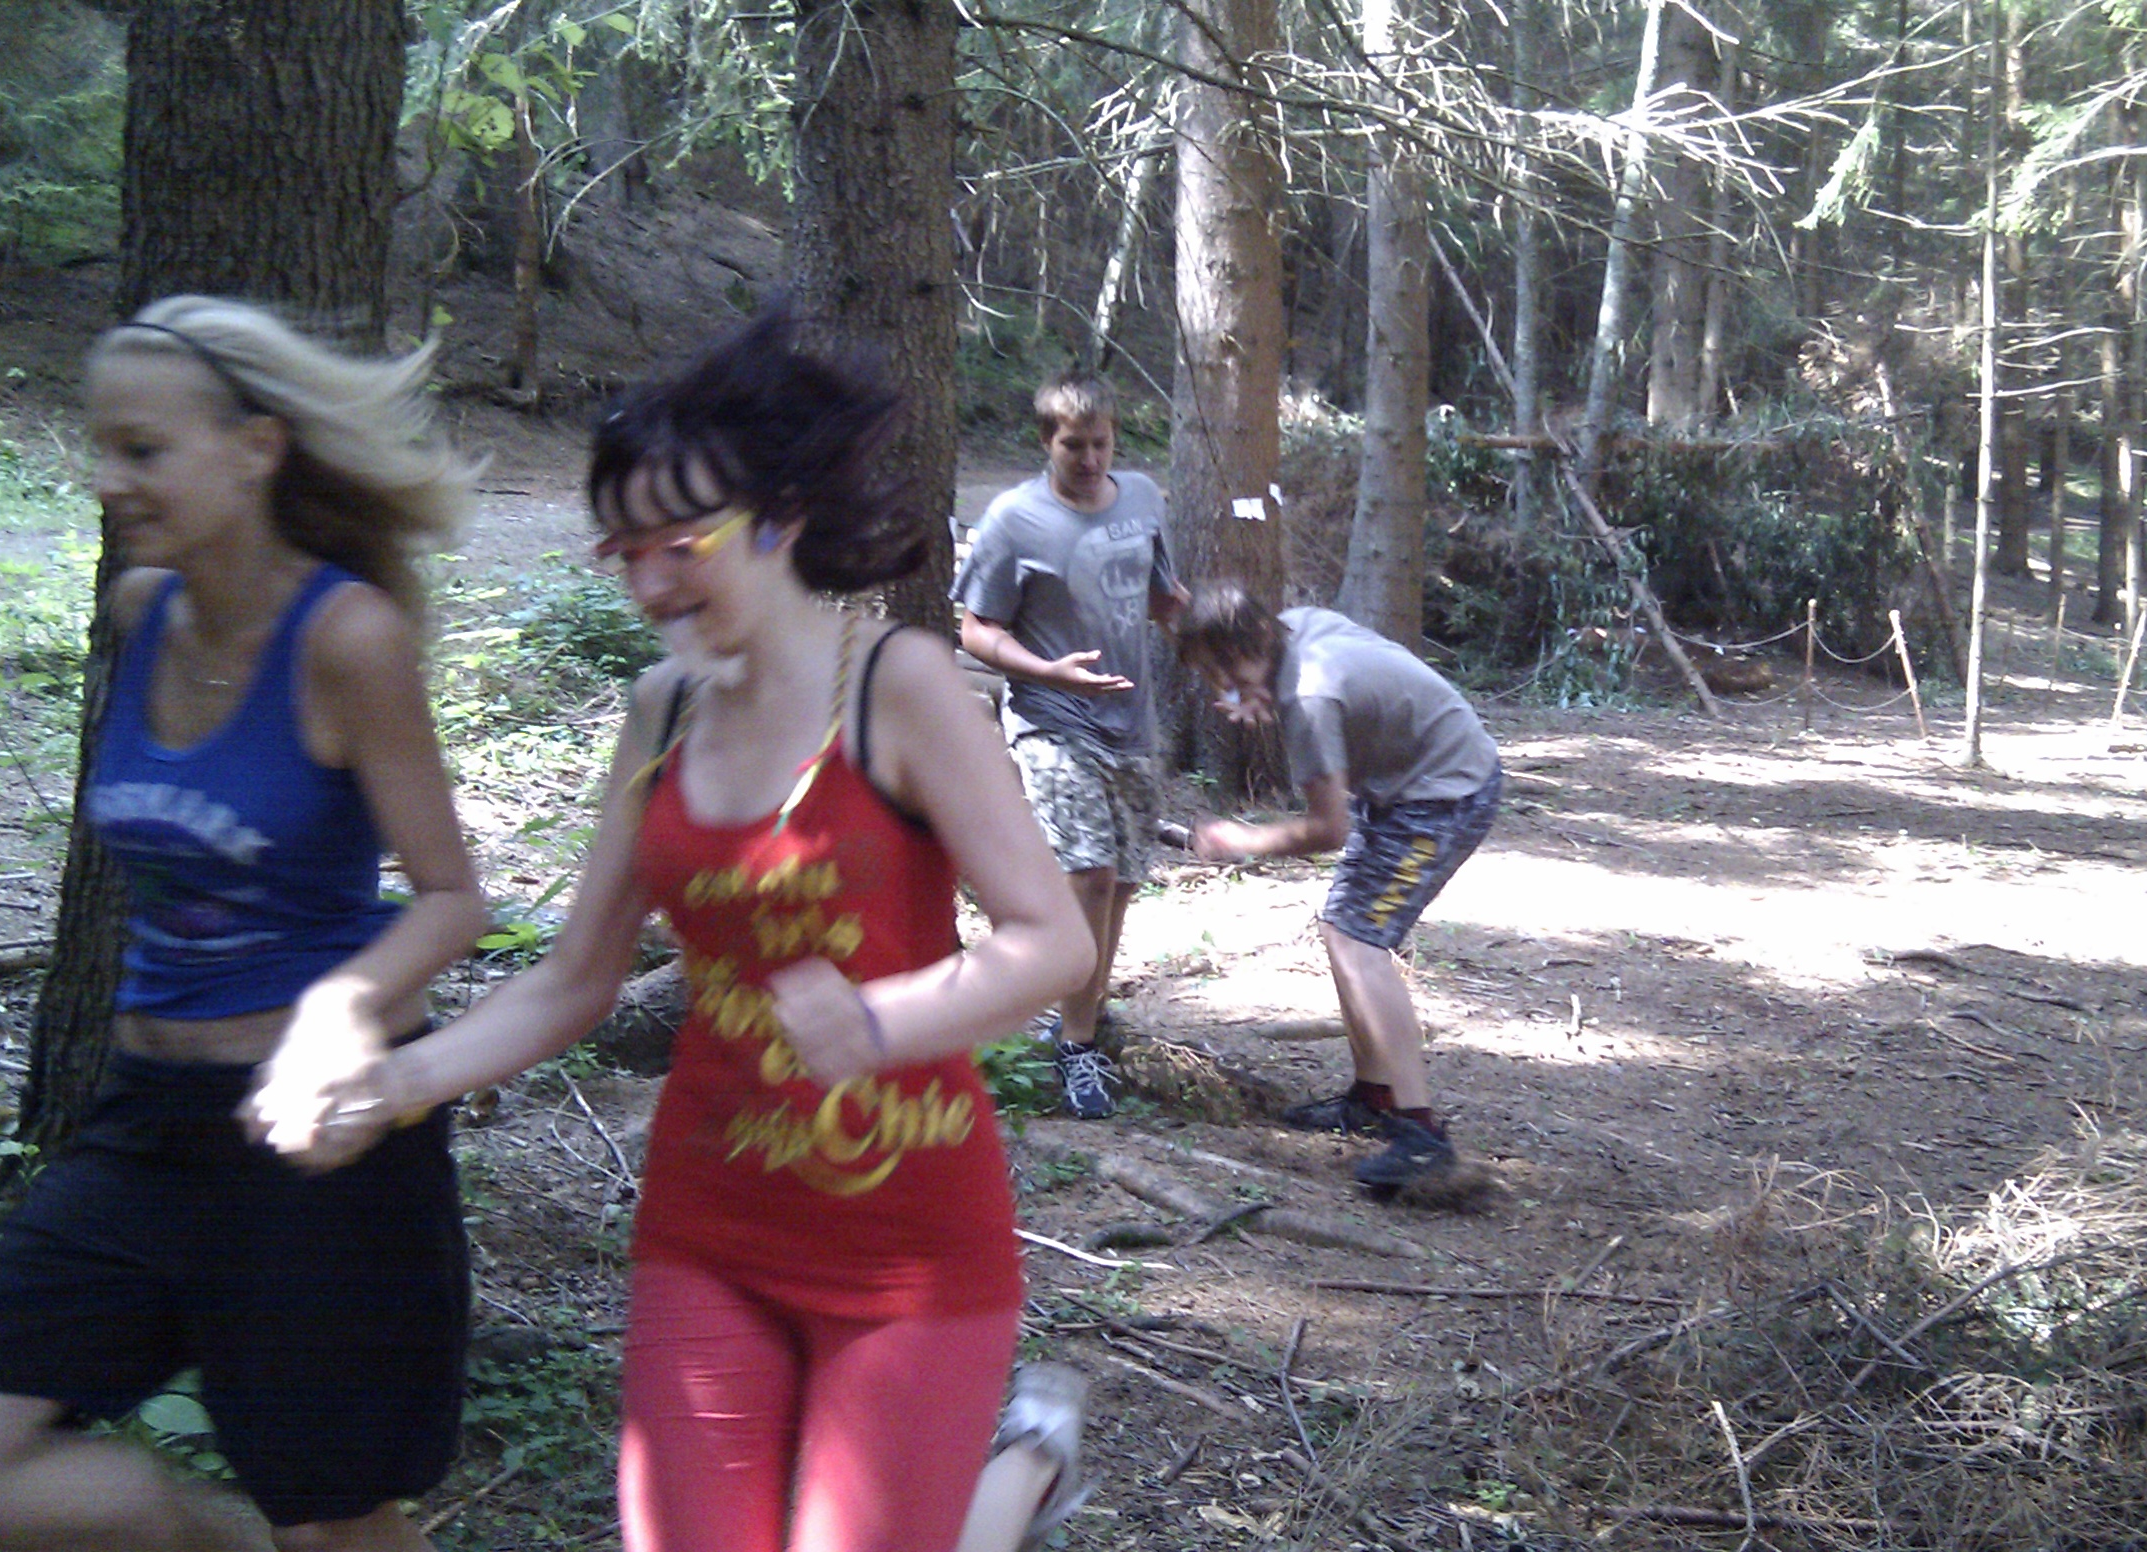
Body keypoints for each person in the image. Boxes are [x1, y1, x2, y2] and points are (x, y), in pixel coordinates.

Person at [254, 310, 1098, 1552]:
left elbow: (1052, 941)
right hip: (710, 1231)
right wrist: (393, 1084)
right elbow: (576, 977)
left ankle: (1023, 1462)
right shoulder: (661, 713)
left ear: (783, 516)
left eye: (681, 544)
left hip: (910, 1255)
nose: (650, 583)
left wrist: (882, 1018)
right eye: (625, 550)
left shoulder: (899, 687)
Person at [0, 297, 488, 1552]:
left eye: (142, 450)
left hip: (319, 1140)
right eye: (100, 447)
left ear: (255, 448)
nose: (108, 480)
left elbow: (454, 898)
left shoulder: (346, 638)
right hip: (146, 1126)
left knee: (338, 1522)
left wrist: (340, 1013)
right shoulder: (144, 612)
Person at [1174, 582, 1503, 1194]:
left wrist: (1241, 839)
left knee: (1360, 941)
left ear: (1251, 642)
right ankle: (1375, 1096)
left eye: (1225, 673)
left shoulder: (1309, 699)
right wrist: (1258, 689)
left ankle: (1423, 1138)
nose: (1222, 688)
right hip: (1410, 783)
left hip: (1446, 793)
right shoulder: (1293, 627)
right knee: (1342, 928)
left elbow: (1329, 829)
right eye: (1212, 677)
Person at [952, 374, 1186, 1119]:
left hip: (1132, 721)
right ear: (1046, 442)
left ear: (1116, 440)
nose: (1088, 460)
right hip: (1051, 716)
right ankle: (1076, 1046)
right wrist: (1045, 670)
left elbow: (1162, 598)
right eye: (1072, 445)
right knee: (1089, 871)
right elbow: (976, 629)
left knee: (1122, 884)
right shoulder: (1014, 519)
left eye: (1100, 445)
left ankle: (1083, 1010)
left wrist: (1215, 643)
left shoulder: (1142, 499)